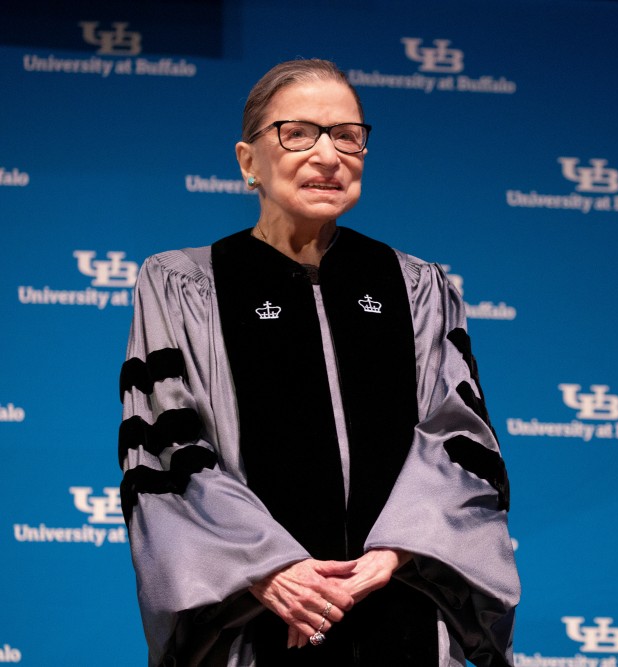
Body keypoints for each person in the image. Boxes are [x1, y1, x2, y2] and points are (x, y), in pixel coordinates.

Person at [117, 58, 519, 667]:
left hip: (398, 605)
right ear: (248, 161)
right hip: (259, 617)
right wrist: (270, 566)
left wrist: (391, 556)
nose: (327, 155)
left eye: (347, 135)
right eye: (297, 132)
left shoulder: (416, 286)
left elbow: (456, 439)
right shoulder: (184, 285)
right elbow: (172, 445)